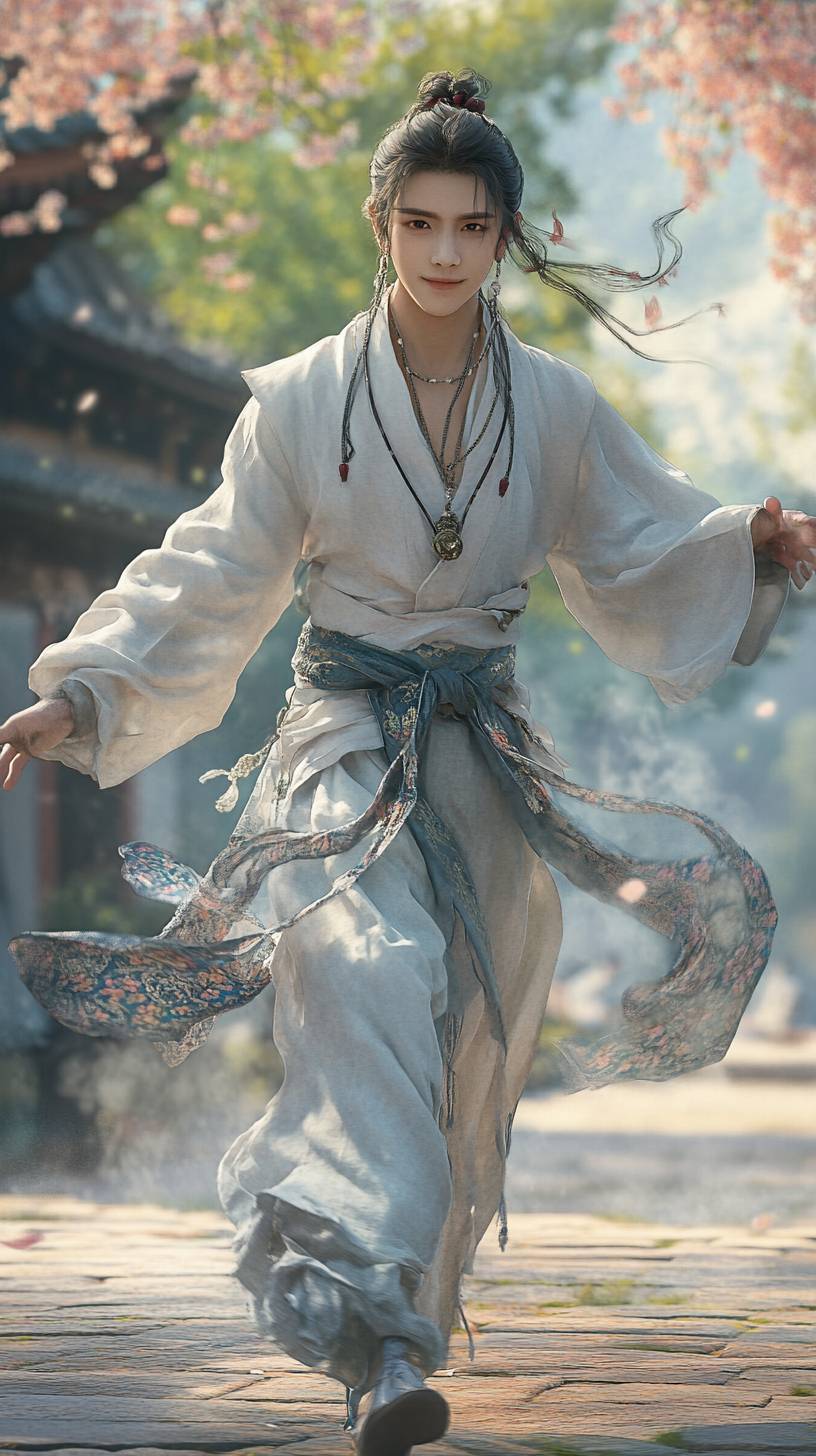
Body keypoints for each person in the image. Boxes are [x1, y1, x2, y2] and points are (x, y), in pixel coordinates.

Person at [3, 68, 815, 1455]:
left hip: (482, 748)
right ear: (382, 223)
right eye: (421, 223)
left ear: (505, 236)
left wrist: (747, 549)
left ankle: (404, 1339)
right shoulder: (304, 404)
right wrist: (82, 692)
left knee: (475, 1042)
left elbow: (637, 541)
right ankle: (373, 1330)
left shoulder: (551, 406)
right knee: (364, 978)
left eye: (473, 228)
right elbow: (215, 572)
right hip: (340, 748)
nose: (444, 254)